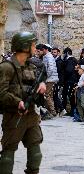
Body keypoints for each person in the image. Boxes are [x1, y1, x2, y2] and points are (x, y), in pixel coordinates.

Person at [0, 32, 46, 174]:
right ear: (25, 46)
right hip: (14, 116)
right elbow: (1, 93)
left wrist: (42, 85)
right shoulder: (6, 67)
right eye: (32, 44)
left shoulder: (31, 66)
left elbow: (35, 82)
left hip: (31, 115)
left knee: (36, 154)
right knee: (8, 155)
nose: (35, 47)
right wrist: (17, 102)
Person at [36, 44, 59, 117]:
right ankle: (51, 111)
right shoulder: (46, 56)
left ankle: (52, 112)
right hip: (51, 78)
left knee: (46, 95)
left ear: (45, 50)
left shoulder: (49, 57)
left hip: (50, 79)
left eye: (41, 50)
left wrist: (45, 77)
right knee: (49, 95)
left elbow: (50, 69)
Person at [61, 47, 79, 117]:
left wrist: (64, 76)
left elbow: (68, 70)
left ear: (67, 53)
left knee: (68, 96)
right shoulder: (74, 60)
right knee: (71, 96)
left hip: (69, 81)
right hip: (73, 80)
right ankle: (72, 111)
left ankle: (71, 111)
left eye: (64, 53)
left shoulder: (70, 60)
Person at [51, 47, 66, 116]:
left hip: (58, 81)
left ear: (58, 53)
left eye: (54, 52)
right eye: (52, 52)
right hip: (55, 81)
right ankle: (58, 111)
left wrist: (59, 82)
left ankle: (62, 109)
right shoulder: (55, 60)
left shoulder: (59, 62)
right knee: (55, 95)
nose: (53, 53)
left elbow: (59, 73)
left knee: (56, 96)